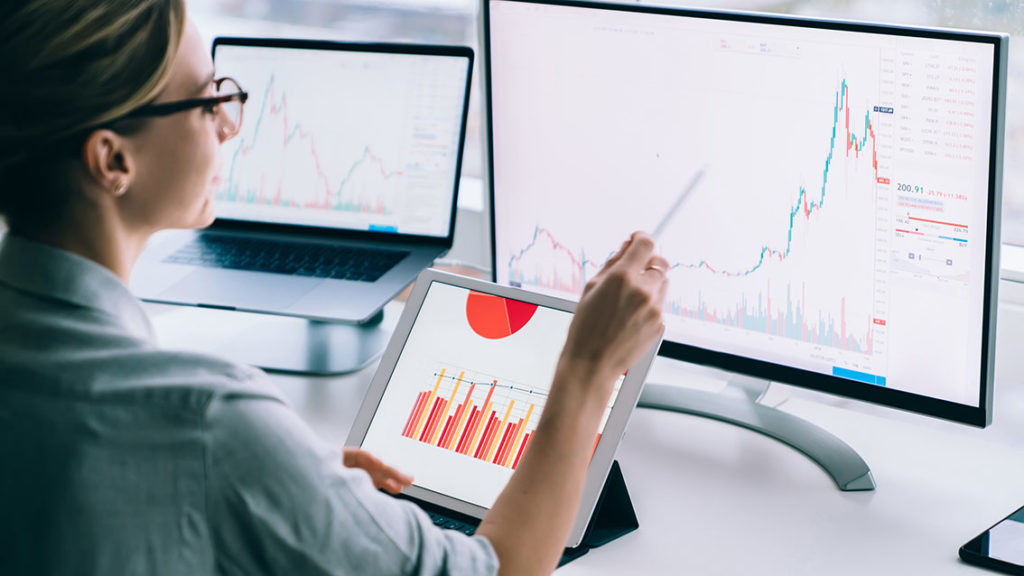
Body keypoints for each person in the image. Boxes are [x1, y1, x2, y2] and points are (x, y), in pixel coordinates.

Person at [0, 1, 669, 575]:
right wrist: (587, 368)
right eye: (208, 102)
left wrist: (280, 477)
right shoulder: (207, 419)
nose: (231, 125)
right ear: (113, 160)